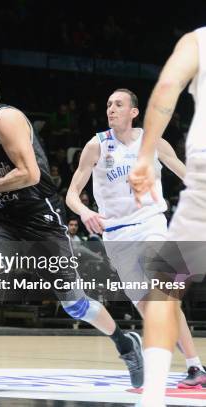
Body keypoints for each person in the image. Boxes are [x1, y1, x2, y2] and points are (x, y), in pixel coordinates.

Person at [0, 63, 143, 387]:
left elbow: (30, 174)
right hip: (4, 220)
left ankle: (126, 344)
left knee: (75, 304)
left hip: (40, 219)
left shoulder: (6, 118)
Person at [66, 88, 205, 389]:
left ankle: (195, 367)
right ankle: (182, 365)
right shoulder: (97, 145)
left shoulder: (151, 141)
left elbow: (184, 172)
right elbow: (71, 195)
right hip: (116, 235)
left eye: (118, 104)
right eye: (108, 104)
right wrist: (85, 212)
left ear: (134, 112)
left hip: (151, 222)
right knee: (148, 307)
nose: (111, 109)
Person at [129, 28, 204, 406]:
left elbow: (167, 86)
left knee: (164, 286)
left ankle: (153, 398)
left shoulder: (198, 40)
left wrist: (144, 156)